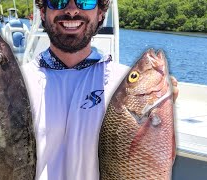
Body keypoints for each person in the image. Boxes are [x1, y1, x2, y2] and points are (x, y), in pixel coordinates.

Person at [21, 0, 178, 179]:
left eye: (85, 2)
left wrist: (165, 114)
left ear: (101, 12)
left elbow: (153, 160)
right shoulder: (17, 85)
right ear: (42, 11)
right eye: (58, 1)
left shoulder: (121, 82)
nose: (72, 10)